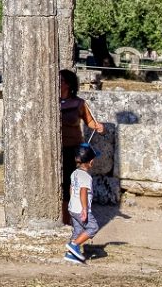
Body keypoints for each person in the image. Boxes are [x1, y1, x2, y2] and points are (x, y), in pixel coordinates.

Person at [59, 69, 104, 224]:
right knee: (60, 186)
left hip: (73, 150)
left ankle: (71, 220)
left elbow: (90, 122)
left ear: (69, 84)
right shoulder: (50, 102)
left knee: (71, 185)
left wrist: (98, 126)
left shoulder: (79, 103)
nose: (58, 82)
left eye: (61, 80)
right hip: (55, 151)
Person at [64, 145, 98, 264]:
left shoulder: (75, 173)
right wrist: (84, 209)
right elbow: (83, 191)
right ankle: (74, 245)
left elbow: (71, 188)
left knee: (78, 230)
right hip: (80, 209)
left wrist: (72, 203)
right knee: (93, 227)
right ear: (91, 162)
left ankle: (70, 254)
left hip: (72, 207)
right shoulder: (86, 176)